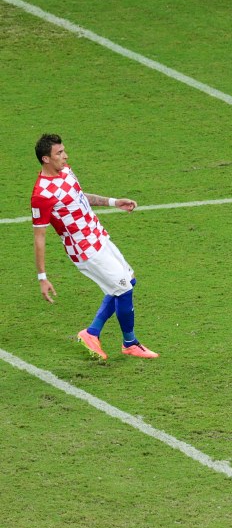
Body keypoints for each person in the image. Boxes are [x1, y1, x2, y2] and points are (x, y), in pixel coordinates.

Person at [31, 134, 159, 360]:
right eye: (59, 153)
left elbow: (80, 197)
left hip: (98, 236)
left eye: (64, 151)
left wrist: (113, 202)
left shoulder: (67, 172)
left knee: (128, 281)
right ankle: (130, 343)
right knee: (124, 290)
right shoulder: (42, 195)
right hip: (84, 250)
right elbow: (39, 236)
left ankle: (91, 333)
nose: (65, 156)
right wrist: (42, 276)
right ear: (45, 159)